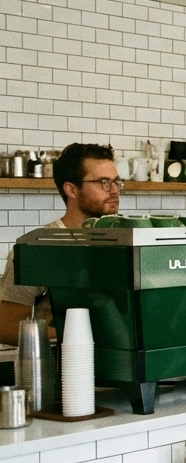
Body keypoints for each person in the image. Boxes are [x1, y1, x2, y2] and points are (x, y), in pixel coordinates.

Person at [0, 143, 122, 345]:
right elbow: (6, 326)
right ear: (71, 189)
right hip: (65, 361)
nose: (115, 190)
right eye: (103, 182)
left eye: (116, 181)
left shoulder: (123, 241)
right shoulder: (40, 248)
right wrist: (77, 337)